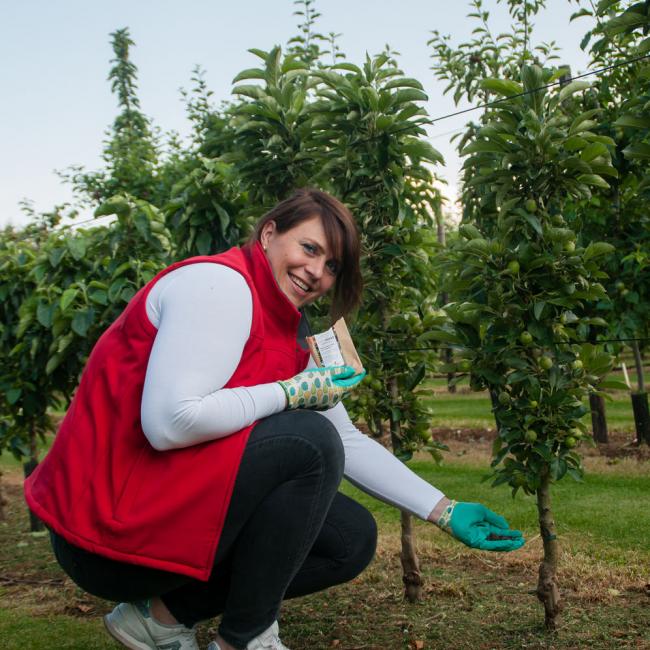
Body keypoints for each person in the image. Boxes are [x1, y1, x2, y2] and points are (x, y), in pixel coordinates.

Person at [24, 188, 524, 650]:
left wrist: (444, 510)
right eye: (308, 248)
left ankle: (159, 619)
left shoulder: (292, 331)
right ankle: (249, 639)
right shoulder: (218, 286)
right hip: (106, 537)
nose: (317, 272)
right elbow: (169, 422)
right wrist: (289, 394)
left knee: (348, 538)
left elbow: (345, 439)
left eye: (332, 265)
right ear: (268, 234)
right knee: (308, 439)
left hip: (161, 514)